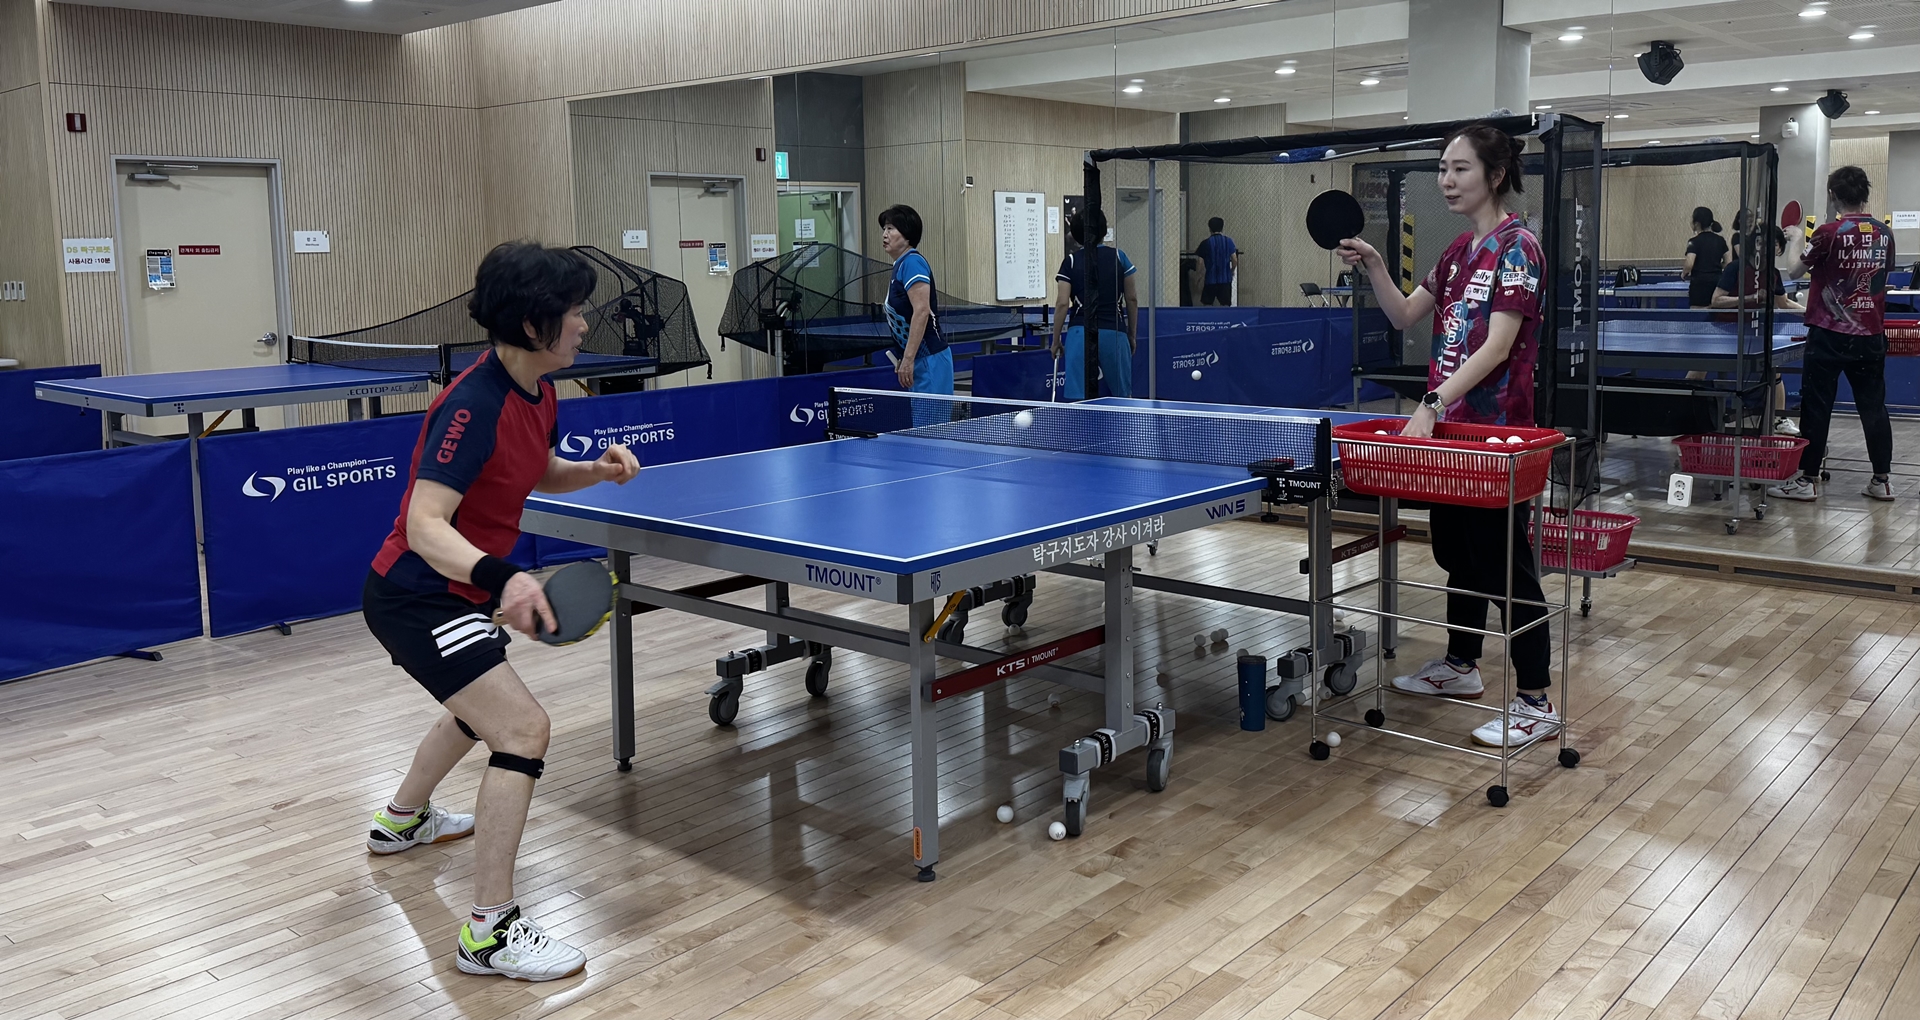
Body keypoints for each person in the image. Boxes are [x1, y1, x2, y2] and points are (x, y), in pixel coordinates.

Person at [361, 241, 640, 981]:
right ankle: (489, 932)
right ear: (532, 323)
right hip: (418, 593)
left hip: (457, 589)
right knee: (521, 728)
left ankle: (401, 822)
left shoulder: (538, 391)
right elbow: (425, 524)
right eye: (573, 311)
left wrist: (595, 471)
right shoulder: (471, 404)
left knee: (478, 709)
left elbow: (536, 470)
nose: (584, 323)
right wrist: (505, 578)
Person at [1337, 123, 1558, 747]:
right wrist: (1376, 264)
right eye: (1442, 169)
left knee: (1507, 569)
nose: (1446, 180)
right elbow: (1404, 313)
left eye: (1460, 169)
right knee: (1458, 555)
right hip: (1450, 436)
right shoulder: (1458, 250)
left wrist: (1431, 402)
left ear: (1495, 175)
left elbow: (1499, 346)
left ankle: (1537, 702)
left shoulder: (1519, 248)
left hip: (1497, 438)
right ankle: (1461, 666)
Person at [1769, 166, 1896, 502]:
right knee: (1874, 408)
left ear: (1832, 195)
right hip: (1870, 334)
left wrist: (1796, 239)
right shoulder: (1884, 233)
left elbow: (1793, 270)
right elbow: (1882, 277)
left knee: (1817, 407)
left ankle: (1807, 480)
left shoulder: (1827, 233)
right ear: (1865, 194)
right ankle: (1882, 480)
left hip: (1829, 334)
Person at [1709, 225, 1804, 436]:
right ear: (1754, 244)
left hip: (1752, 331)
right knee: (1700, 368)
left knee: (1774, 369)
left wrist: (1810, 313)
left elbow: (1784, 303)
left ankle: (1779, 419)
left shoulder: (1773, 273)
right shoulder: (1735, 268)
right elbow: (1716, 300)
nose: (1766, 248)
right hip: (1722, 330)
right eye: (1761, 242)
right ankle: (1682, 412)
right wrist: (1749, 298)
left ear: (1779, 248)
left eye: (1774, 244)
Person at [1051, 208, 1138, 400]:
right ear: (1103, 230)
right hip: (1114, 332)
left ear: (1076, 234)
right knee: (1123, 397)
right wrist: (1131, 335)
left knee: (1078, 400)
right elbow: (1131, 299)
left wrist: (1056, 341)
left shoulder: (1071, 261)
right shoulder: (1119, 257)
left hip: (1079, 334)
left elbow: (1062, 304)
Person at [878, 204, 952, 397]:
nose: (884, 234)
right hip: (918, 360)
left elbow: (921, 311)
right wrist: (905, 357)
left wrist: (908, 359)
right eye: (884, 229)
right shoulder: (901, 264)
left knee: (931, 418)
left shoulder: (912, 262)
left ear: (907, 233)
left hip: (929, 359)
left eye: (890, 228)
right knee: (921, 417)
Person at [1683, 206, 1729, 309]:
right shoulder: (1720, 240)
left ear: (1697, 223)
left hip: (1699, 284)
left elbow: (1689, 264)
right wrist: (1716, 266)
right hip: (1717, 283)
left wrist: (1684, 273)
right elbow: (1728, 262)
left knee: (1697, 314)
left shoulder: (1693, 241)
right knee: (1715, 312)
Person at [1194, 216, 1238, 306]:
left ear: (1210, 228)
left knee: (1207, 304)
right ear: (1222, 227)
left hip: (1210, 279)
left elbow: (1200, 262)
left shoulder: (1205, 243)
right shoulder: (1228, 241)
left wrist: (1199, 275)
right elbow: (1234, 259)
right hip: (1225, 279)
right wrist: (1232, 270)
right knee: (1225, 305)